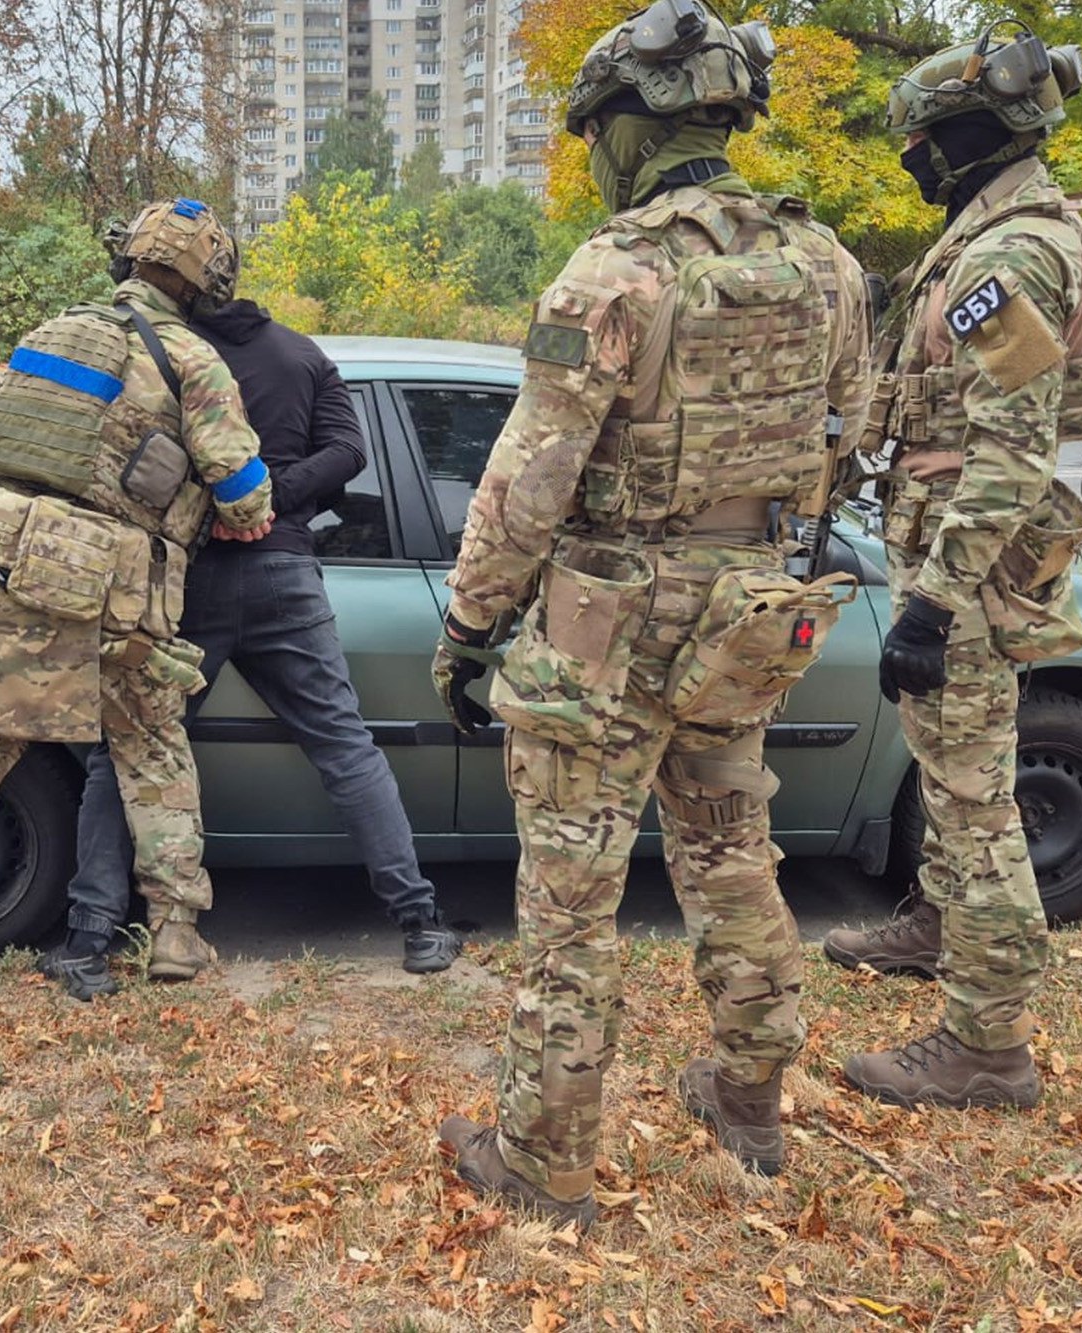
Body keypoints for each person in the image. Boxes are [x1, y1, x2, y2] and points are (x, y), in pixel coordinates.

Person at [430, 0, 872, 1209]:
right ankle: (747, 1100)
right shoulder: (825, 264)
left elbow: (527, 482)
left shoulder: (614, 270)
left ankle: (542, 1164)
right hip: (745, 610)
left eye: (594, 131)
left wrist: (469, 626)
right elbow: (847, 432)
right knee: (733, 855)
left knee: (570, 898)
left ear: (630, 126)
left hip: (605, 618)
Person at [0, 199, 273, 1009]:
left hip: (8, 574)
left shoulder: (44, 339)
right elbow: (247, 498)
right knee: (152, 755)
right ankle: (177, 933)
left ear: (131, 259)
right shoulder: (191, 359)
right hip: (119, 596)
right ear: (203, 279)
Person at [823, 25, 1082, 1110]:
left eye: (921, 142)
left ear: (968, 136)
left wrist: (934, 605)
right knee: (954, 772)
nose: (909, 161)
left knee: (971, 799)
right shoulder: (993, 235)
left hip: (972, 562)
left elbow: (1007, 448)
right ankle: (937, 923)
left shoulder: (1008, 256)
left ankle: (984, 1047)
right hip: (963, 545)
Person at [44, 280, 463, 1001]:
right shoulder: (301, 356)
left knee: (128, 754)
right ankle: (420, 921)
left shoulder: (168, 357)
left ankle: (88, 938)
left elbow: (119, 461)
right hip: (285, 579)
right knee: (344, 746)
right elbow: (348, 451)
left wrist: (225, 510)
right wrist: (274, 501)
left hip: (187, 583)